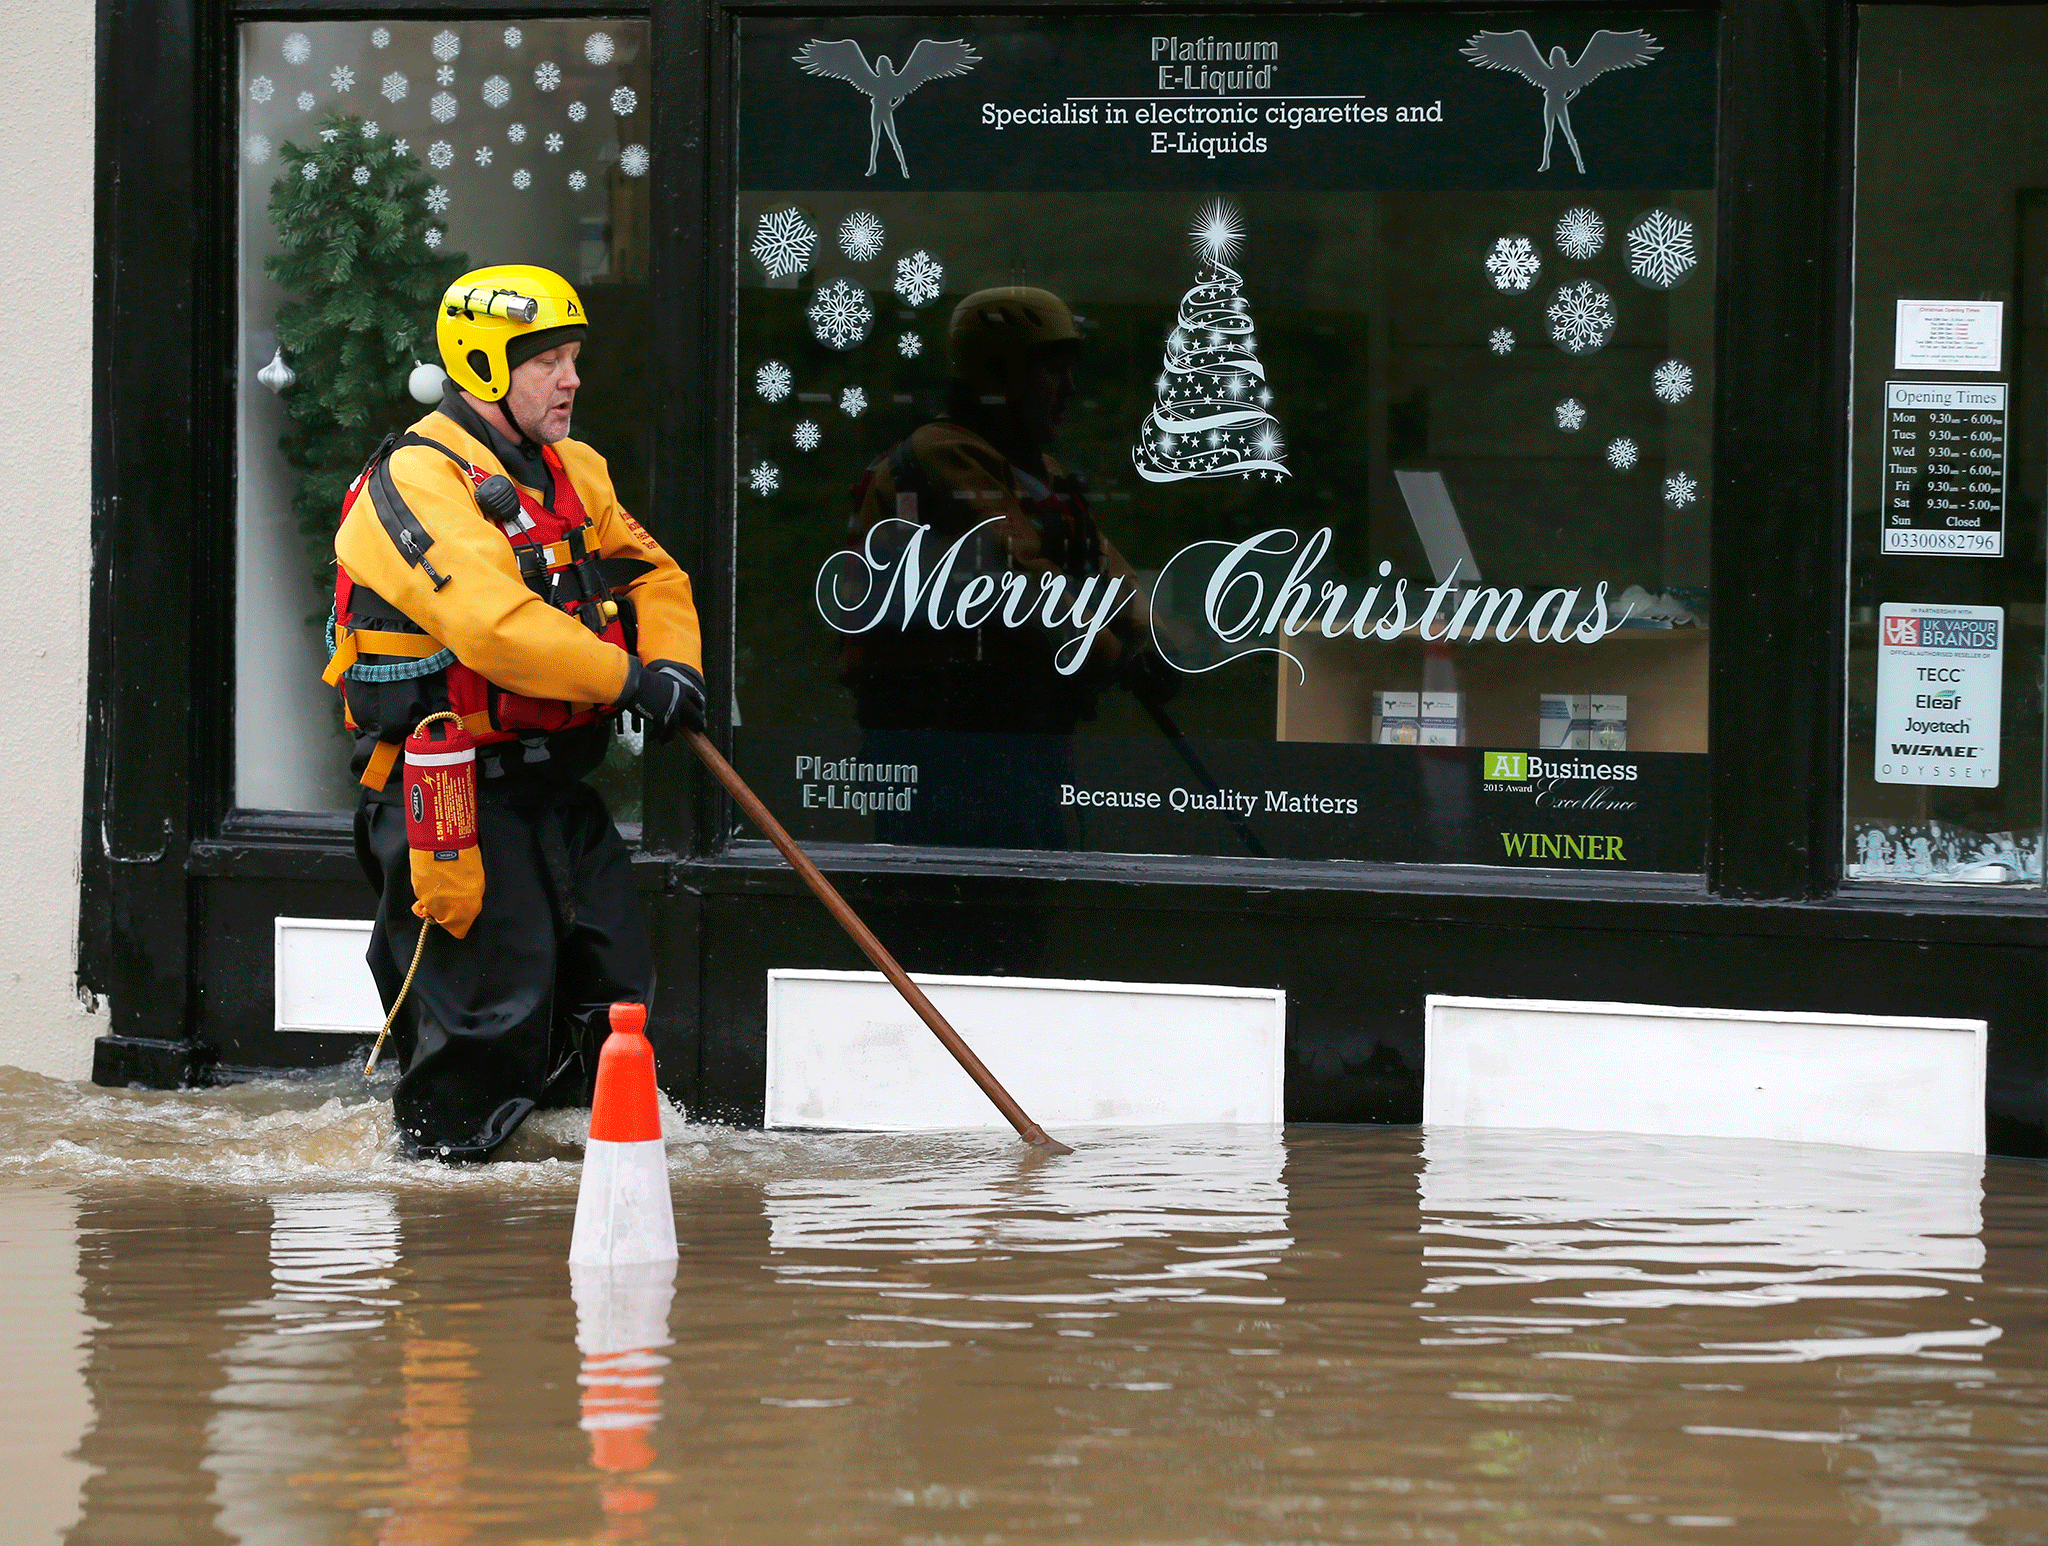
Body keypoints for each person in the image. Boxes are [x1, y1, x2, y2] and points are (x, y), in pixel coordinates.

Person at [325, 265, 706, 1161]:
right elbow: (493, 627)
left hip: (557, 794)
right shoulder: (415, 483)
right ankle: (459, 1261)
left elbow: (653, 575)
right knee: (485, 1038)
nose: (571, 380)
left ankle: (575, 1223)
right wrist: (626, 680)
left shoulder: (576, 469)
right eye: (548, 362)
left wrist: (673, 665)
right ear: (484, 368)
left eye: (574, 358)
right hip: (453, 805)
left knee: (613, 1003)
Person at [837, 285, 1171, 848]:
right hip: (947, 747)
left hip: (1013, 741)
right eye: (1050, 373)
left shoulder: (1036, 469)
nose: (1068, 390)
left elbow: (1102, 561)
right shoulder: (947, 454)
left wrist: (1152, 636)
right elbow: (1027, 577)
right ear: (998, 378)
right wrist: (1116, 658)